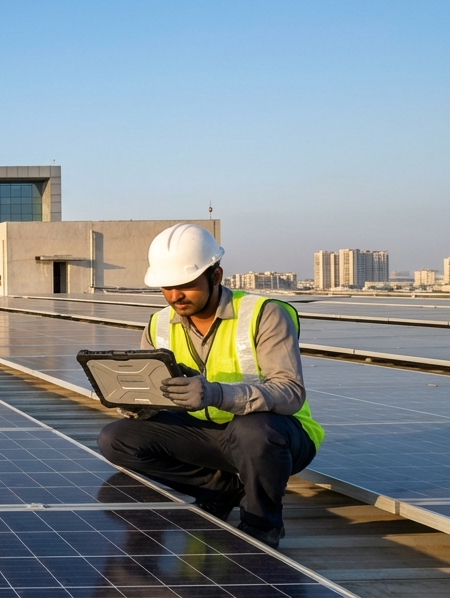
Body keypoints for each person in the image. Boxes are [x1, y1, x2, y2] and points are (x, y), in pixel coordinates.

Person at [96, 223, 323, 548]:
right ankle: (221, 488)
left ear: (215, 276)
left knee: (254, 430)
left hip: (274, 439)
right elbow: (153, 390)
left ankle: (261, 527)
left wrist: (215, 393)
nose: (175, 296)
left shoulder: (264, 314)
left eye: (186, 284)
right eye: (166, 287)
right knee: (115, 439)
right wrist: (135, 404)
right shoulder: (158, 325)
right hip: (208, 436)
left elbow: (289, 392)